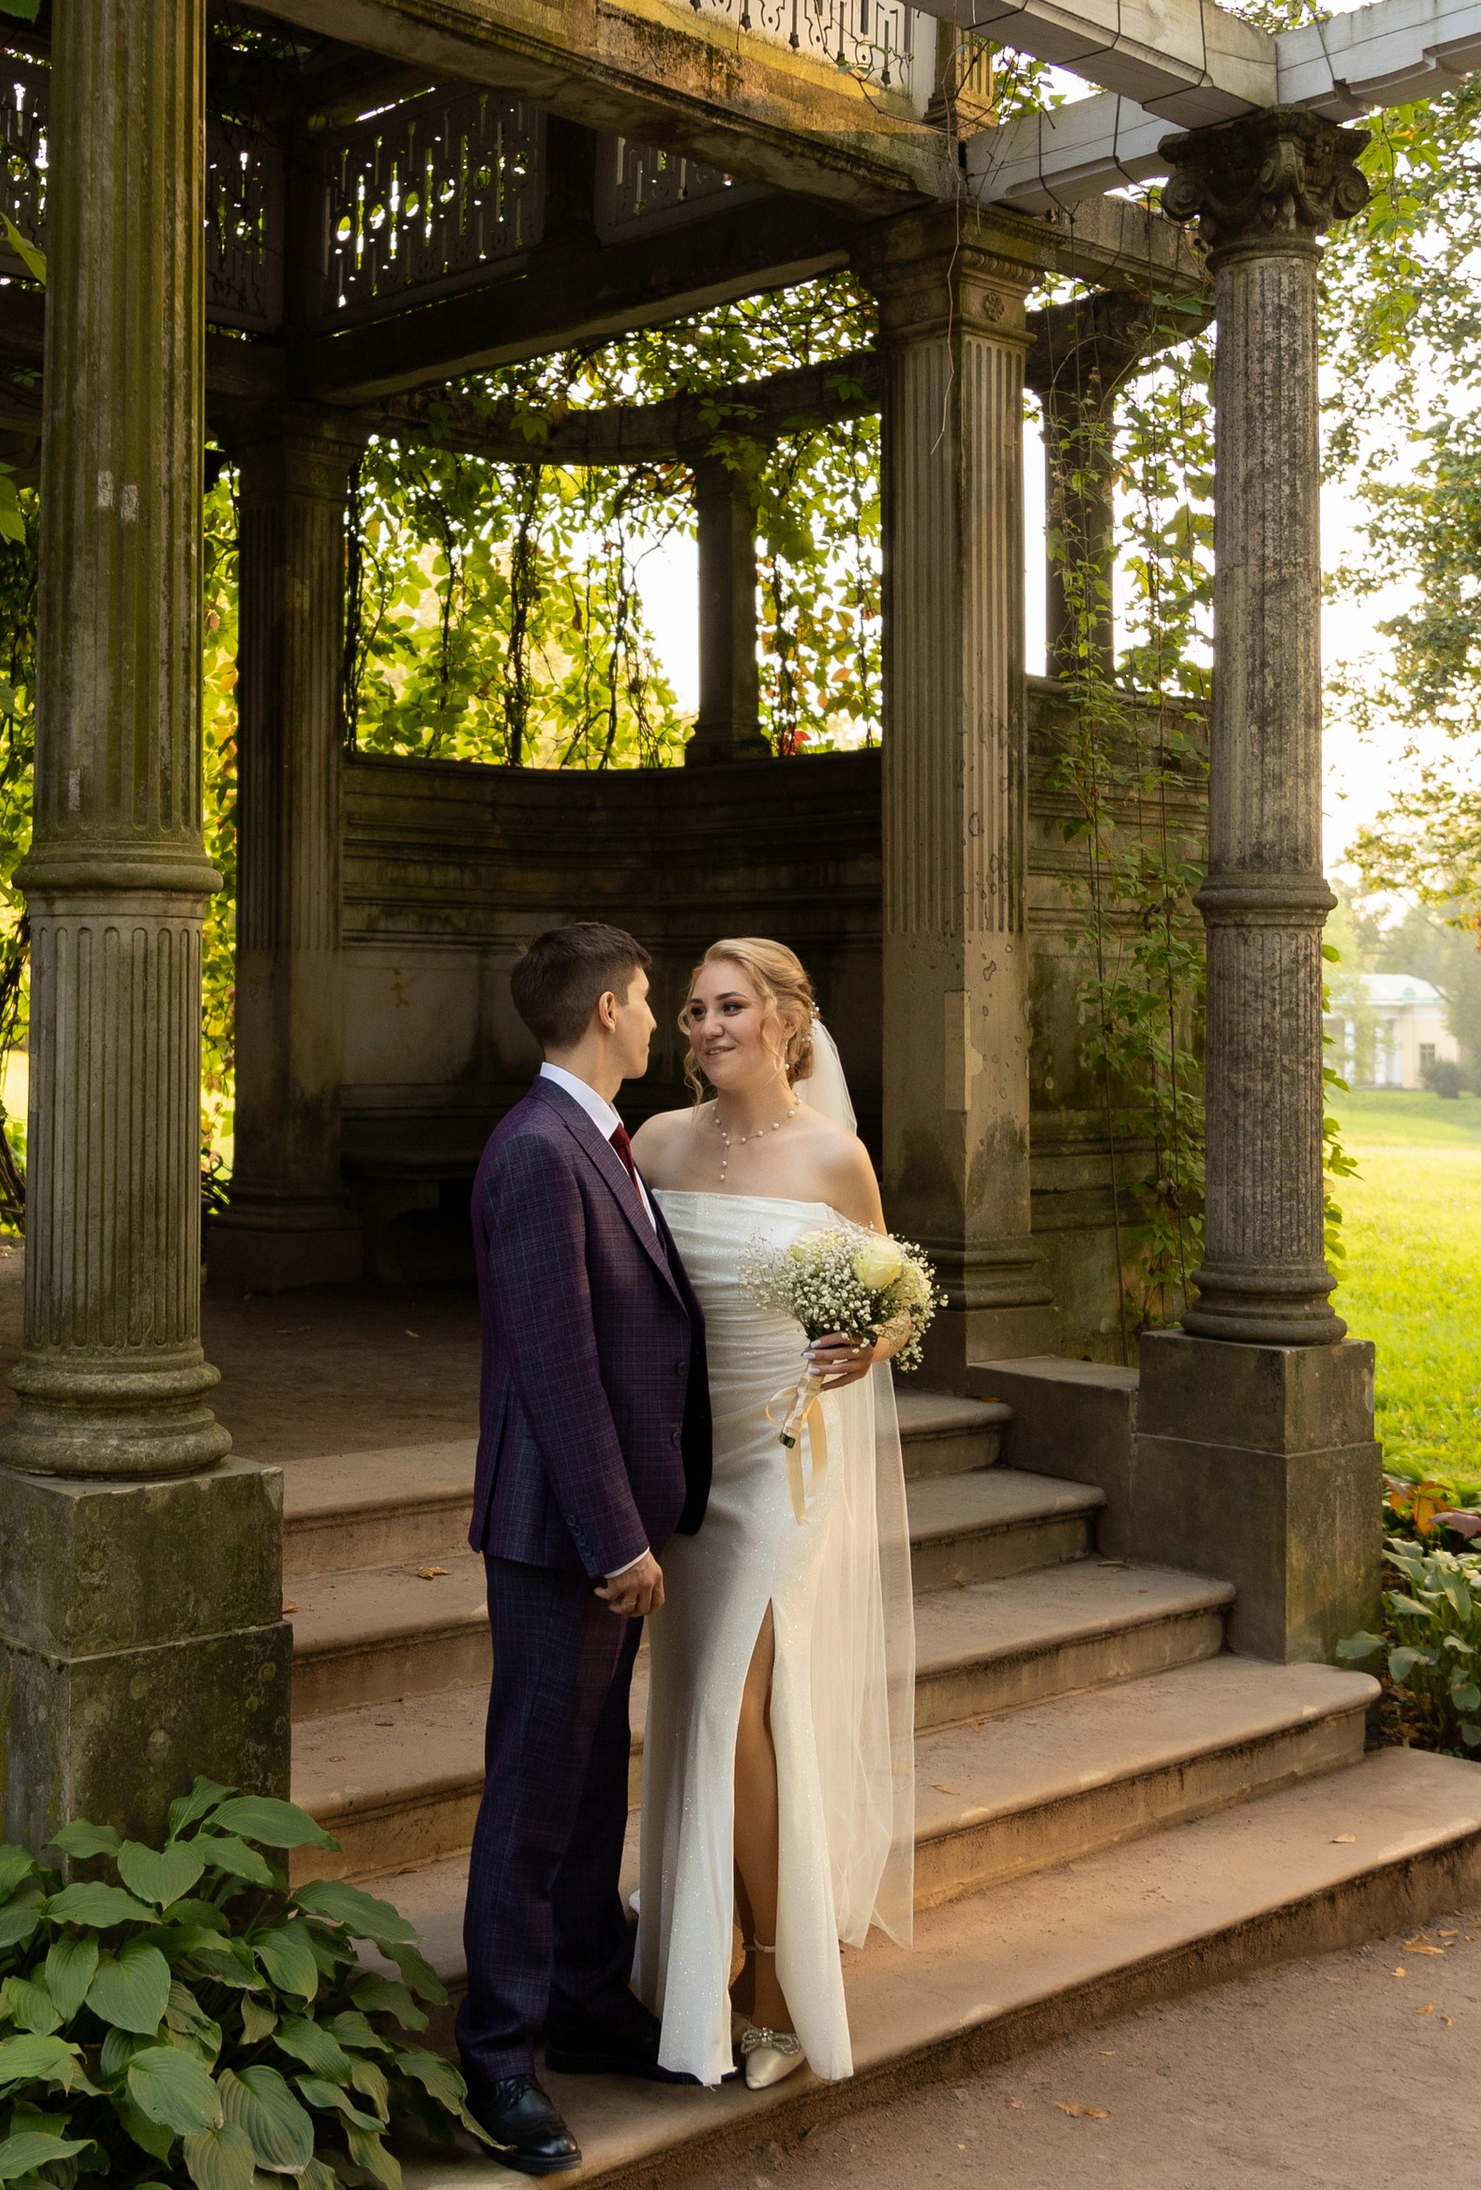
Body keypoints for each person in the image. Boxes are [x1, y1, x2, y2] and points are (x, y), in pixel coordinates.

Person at [628, 936, 917, 2092]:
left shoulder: (832, 1157)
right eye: (692, 1009)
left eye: (729, 1006)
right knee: (695, 1707)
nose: (704, 1027)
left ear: (788, 1022)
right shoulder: (653, 1144)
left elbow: (892, 1292)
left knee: (725, 1702)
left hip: (784, 1464)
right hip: (679, 1469)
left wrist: (874, 1343)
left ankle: (770, 1989)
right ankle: (700, 1941)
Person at [456, 923, 713, 2173]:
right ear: (608, 1008)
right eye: (653, 1000)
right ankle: (499, 2057)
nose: (661, 1021)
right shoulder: (535, 1152)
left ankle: (588, 1998)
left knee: (590, 1775)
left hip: (602, 1526)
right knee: (532, 1792)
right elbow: (556, 1371)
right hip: (559, 1536)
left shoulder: (593, 1141)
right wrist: (617, 1540)